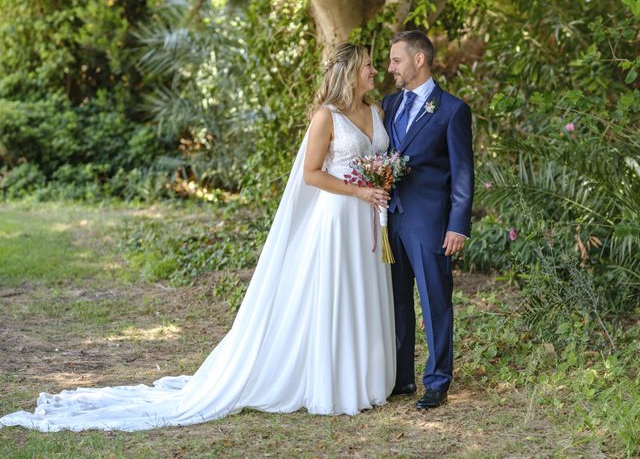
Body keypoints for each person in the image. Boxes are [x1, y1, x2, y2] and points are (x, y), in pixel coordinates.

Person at [0, 43, 396, 432]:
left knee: (364, 292)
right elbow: (312, 174)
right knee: (339, 294)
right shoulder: (325, 118)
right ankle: (337, 385)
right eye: (367, 65)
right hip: (338, 217)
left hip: (369, 218)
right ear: (348, 71)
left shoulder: (376, 111)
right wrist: (360, 190)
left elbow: (380, 160)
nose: (374, 71)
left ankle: (365, 379)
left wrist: (381, 183)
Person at [382, 30, 474, 409]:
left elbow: (462, 172)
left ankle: (436, 381)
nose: (390, 68)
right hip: (390, 220)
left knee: (435, 302)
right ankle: (402, 378)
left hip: (431, 223)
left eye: (396, 60)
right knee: (396, 303)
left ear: (419, 59)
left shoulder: (452, 110)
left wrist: (458, 224)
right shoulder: (387, 105)